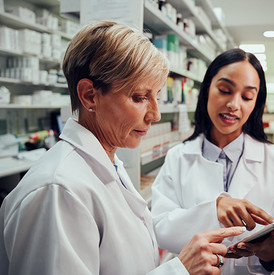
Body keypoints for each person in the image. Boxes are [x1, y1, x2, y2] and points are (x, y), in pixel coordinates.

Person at [0, 21, 259, 275]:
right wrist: (179, 270)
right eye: (139, 97)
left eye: (156, 96)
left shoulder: (108, 162)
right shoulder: (58, 191)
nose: (155, 115)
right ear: (90, 95)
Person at [151, 48, 274, 274]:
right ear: (206, 90)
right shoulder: (179, 157)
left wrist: (271, 252)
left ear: (256, 103)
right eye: (225, 90)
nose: (234, 104)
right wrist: (212, 211)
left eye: (247, 97)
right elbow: (160, 226)